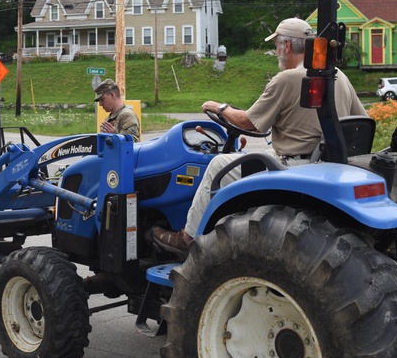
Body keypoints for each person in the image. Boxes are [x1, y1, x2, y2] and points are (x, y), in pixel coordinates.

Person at [150, 17, 367, 256]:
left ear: (285, 46)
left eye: (276, 46)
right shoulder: (338, 76)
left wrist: (219, 107)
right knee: (252, 156)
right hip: (323, 161)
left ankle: (187, 237)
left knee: (217, 164)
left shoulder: (288, 78)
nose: (276, 52)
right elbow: (361, 120)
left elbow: (249, 122)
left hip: (295, 164)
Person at [94, 78, 141, 142]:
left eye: (102, 99)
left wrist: (115, 136)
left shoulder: (127, 116)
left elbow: (133, 143)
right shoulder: (108, 119)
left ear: (112, 95)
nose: (100, 104)